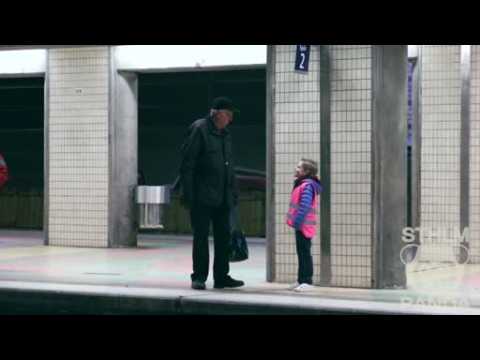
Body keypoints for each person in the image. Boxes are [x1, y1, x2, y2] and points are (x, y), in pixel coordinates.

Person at [180, 97, 244, 290]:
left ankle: (221, 277)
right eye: (229, 115)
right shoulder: (199, 130)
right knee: (201, 237)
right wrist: (189, 195)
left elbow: (229, 166)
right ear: (217, 113)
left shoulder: (226, 134)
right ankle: (199, 277)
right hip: (201, 196)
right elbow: (187, 164)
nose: (231, 119)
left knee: (223, 238)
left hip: (223, 196)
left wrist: (233, 192)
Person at [286, 159, 322, 292]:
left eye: (299, 167)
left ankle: (307, 280)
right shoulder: (302, 184)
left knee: (305, 253)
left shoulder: (307, 186)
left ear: (306, 172)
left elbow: (305, 206)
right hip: (301, 225)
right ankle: (301, 279)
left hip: (304, 226)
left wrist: (297, 222)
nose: (296, 169)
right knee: (301, 252)